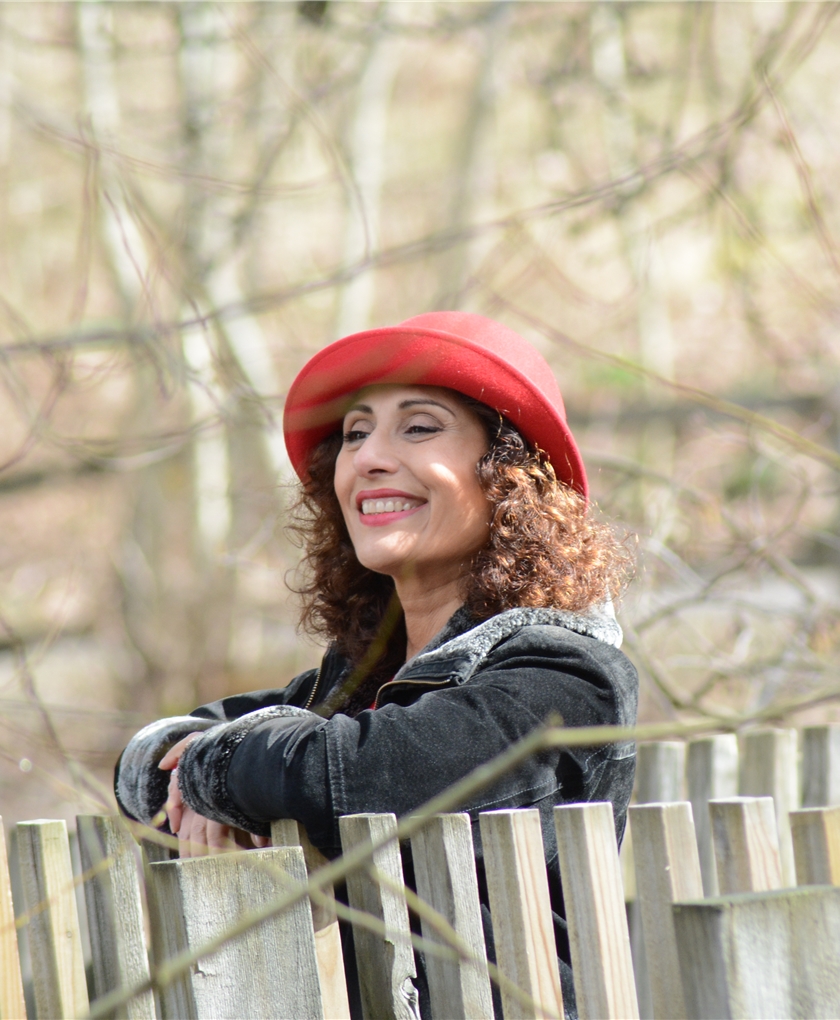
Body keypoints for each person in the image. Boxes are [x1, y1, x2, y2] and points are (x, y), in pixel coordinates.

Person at [115, 311, 638, 1018]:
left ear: (510, 475)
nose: (368, 457)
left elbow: (361, 776)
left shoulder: (566, 678)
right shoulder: (350, 686)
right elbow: (151, 762)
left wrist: (221, 773)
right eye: (356, 433)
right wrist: (221, 775)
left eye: (418, 427)